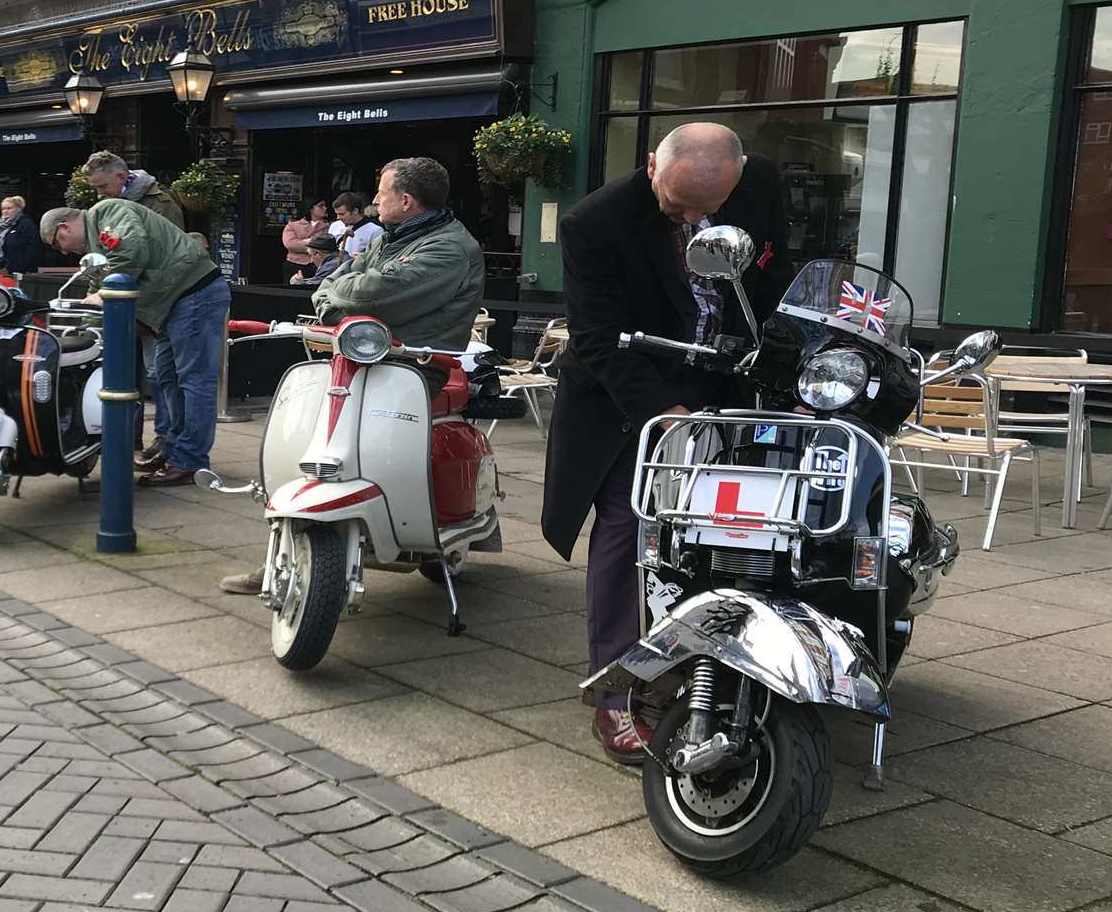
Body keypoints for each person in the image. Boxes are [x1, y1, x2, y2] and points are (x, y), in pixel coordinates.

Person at [540, 122, 792, 766]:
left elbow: (775, 278)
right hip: (630, 393)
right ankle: (614, 695)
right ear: (652, 163)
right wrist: (665, 411)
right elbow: (596, 338)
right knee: (632, 524)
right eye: (679, 205)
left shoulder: (758, 184)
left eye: (708, 208)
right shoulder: (594, 222)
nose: (692, 218)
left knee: (750, 520)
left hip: (727, 381)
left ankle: (730, 659)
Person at [220, 158, 482, 594]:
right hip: (358, 358)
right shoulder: (393, 239)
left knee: (376, 447)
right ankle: (286, 552)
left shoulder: (448, 247)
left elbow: (376, 295)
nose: (375, 199)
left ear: (406, 200)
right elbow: (337, 279)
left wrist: (338, 295)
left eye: (381, 191)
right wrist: (339, 295)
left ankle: (400, 520)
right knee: (310, 438)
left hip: (413, 366)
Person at [41, 198, 226, 487]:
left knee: (193, 381)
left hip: (193, 294)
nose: (63, 250)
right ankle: (173, 450)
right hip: (172, 305)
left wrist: (103, 294)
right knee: (167, 379)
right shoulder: (98, 247)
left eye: (57, 242)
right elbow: (97, 287)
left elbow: (131, 250)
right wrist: (85, 334)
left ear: (64, 226)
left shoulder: (109, 212)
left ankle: (190, 461)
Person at [84, 151, 185, 230]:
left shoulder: (161, 205)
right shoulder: (107, 202)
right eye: (96, 188)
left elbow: (171, 249)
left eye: (103, 186)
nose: (99, 194)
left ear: (122, 177)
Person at [0, 195, 42, 275]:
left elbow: (32, 247)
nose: (5, 211)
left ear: (18, 209)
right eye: (3, 209)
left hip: (19, 271)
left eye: (9, 208)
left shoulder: (26, 224)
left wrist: (22, 266)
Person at [281, 199, 333, 280]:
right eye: (321, 206)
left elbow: (327, 246)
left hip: (318, 265)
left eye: (325, 205)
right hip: (294, 264)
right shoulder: (293, 224)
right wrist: (315, 244)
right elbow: (290, 244)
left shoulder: (329, 226)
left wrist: (306, 242)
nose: (325, 208)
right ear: (311, 208)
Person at [331, 193, 382, 259]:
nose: (338, 217)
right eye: (337, 214)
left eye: (342, 214)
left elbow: (377, 257)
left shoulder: (375, 231)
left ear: (355, 210)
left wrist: (362, 258)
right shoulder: (335, 226)